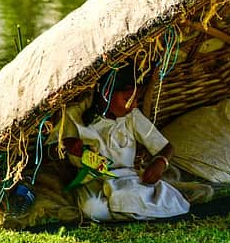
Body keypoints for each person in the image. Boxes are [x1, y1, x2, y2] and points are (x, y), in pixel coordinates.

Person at [53, 63, 190, 222]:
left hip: (128, 179)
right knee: (93, 209)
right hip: (93, 181)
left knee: (157, 199)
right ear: (106, 93)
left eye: (136, 100)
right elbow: (50, 151)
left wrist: (161, 162)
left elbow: (166, 147)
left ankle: (128, 208)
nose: (133, 105)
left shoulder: (132, 116)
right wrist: (67, 146)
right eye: (127, 99)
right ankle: (134, 211)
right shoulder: (73, 115)